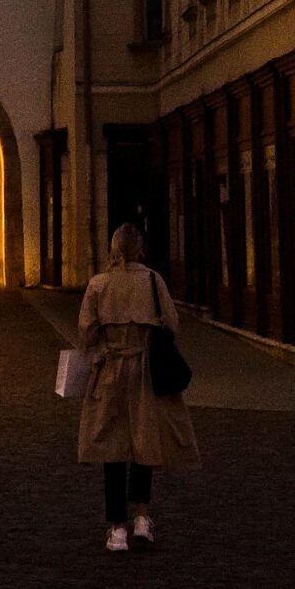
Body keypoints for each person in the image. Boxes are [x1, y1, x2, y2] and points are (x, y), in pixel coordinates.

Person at [78, 223, 201, 553]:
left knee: (113, 448)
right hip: (145, 371)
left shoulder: (98, 284)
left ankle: (117, 529)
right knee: (145, 442)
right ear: (140, 249)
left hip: (111, 371)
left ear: (113, 249)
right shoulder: (153, 280)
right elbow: (172, 324)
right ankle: (143, 517)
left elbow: (86, 332)